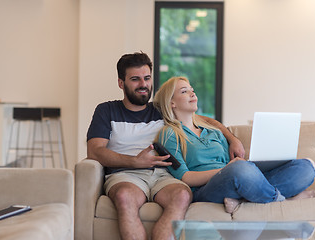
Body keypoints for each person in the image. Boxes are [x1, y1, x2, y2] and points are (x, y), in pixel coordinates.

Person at [86, 52, 245, 240]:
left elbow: (209, 122)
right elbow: (95, 151)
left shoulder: (162, 109)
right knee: (124, 197)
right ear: (121, 83)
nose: (143, 85)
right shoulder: (106, 110)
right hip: (126, 174)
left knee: (182, 195)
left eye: (146, 78)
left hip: (165, 174)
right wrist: (135, 162)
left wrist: (234, 140)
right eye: (135, 79)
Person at [153, 76, 315, 214]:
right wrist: (229, 169)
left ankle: (245, 198)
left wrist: (239, 166)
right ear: (172, 103)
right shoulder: (169, 134)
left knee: (306, 166)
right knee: (240, 170)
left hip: (235, 178)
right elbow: (185, 177)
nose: (192, 92)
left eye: (191, 89)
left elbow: (229, 163)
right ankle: (283, 201)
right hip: (207, 189)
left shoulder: (213, 131)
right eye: (184, 91)